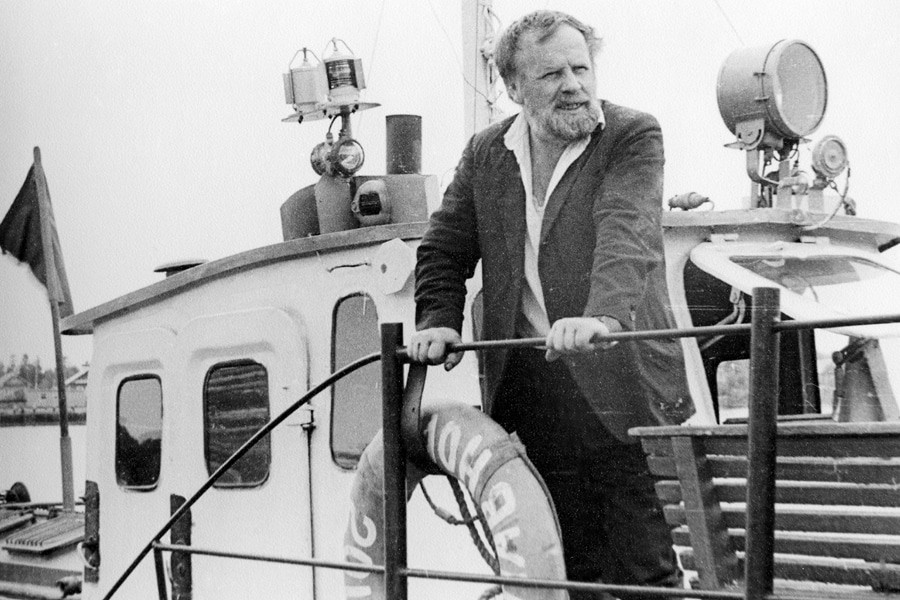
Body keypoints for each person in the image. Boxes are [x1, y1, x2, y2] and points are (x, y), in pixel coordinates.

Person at [409, 9, 695, 598]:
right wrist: (438, 320)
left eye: (580, 69)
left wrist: (602, 316)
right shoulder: (487, 153)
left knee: (646, 576)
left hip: (623, 390)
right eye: (552, 75)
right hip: (535, 397)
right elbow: (443, 246)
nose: (573, 85)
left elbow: (628, 231)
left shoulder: (631, 135)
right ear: (514, 87)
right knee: (566, 574)